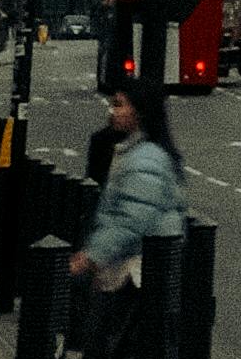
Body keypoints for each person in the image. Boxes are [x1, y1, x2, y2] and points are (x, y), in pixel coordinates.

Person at [69, 87, 187, 330]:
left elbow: (131, 218)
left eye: (120, 105)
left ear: (140, 113)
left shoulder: (146, 159)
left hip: (139, 272)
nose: (113, 111)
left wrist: (92, 256)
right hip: (139, 267)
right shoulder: (138, 152)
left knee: (124, 348)